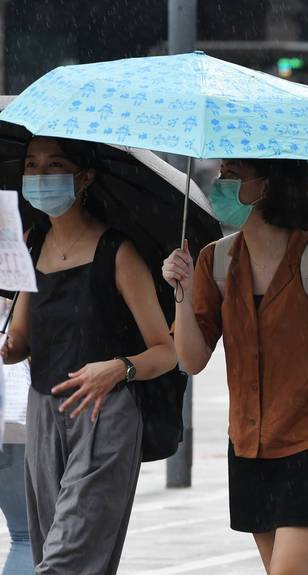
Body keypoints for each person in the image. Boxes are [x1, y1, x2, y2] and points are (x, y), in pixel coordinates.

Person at [162, 158, 308, 575]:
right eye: (221, 174)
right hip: (250, 447)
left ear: (267, 185)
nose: (219, 184)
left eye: (232, 176)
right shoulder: (216, 261)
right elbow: (191, 359)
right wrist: (183, 294)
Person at [1, 137, 177, 574]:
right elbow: (18, 341)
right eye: (32, 165)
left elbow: (166, 352)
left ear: (84, 178)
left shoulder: (118, 252)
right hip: (42, 413)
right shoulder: (32, 242)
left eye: (54, 164)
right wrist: (6, 345)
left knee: (67, 559)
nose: (40, 177)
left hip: (105, 416)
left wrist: (119, 368)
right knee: (49, 550)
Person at [0, 300, 34, 575]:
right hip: (16, 423)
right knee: (28, 538)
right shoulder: (20, 287)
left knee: (25, 537)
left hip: (14, 424)